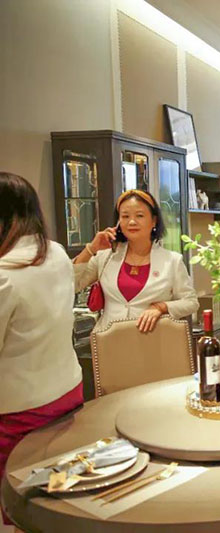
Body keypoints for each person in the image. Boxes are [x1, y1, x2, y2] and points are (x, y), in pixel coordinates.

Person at [0, 173, 84, 525]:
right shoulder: (57, 254)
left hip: (20, 408)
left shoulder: (6, 274)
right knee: (56, 491)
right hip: (66, 391)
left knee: (20, 502)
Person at [72, 189, 198, 332]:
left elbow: (191, 302)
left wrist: (161, 307)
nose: (132, 222)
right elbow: (73, 284)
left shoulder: (172, 261)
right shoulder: (106, 256)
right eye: (125, 216)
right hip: (110, 339)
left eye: (139, 215)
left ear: (154, 221)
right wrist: (91, 249)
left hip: (154, 340)